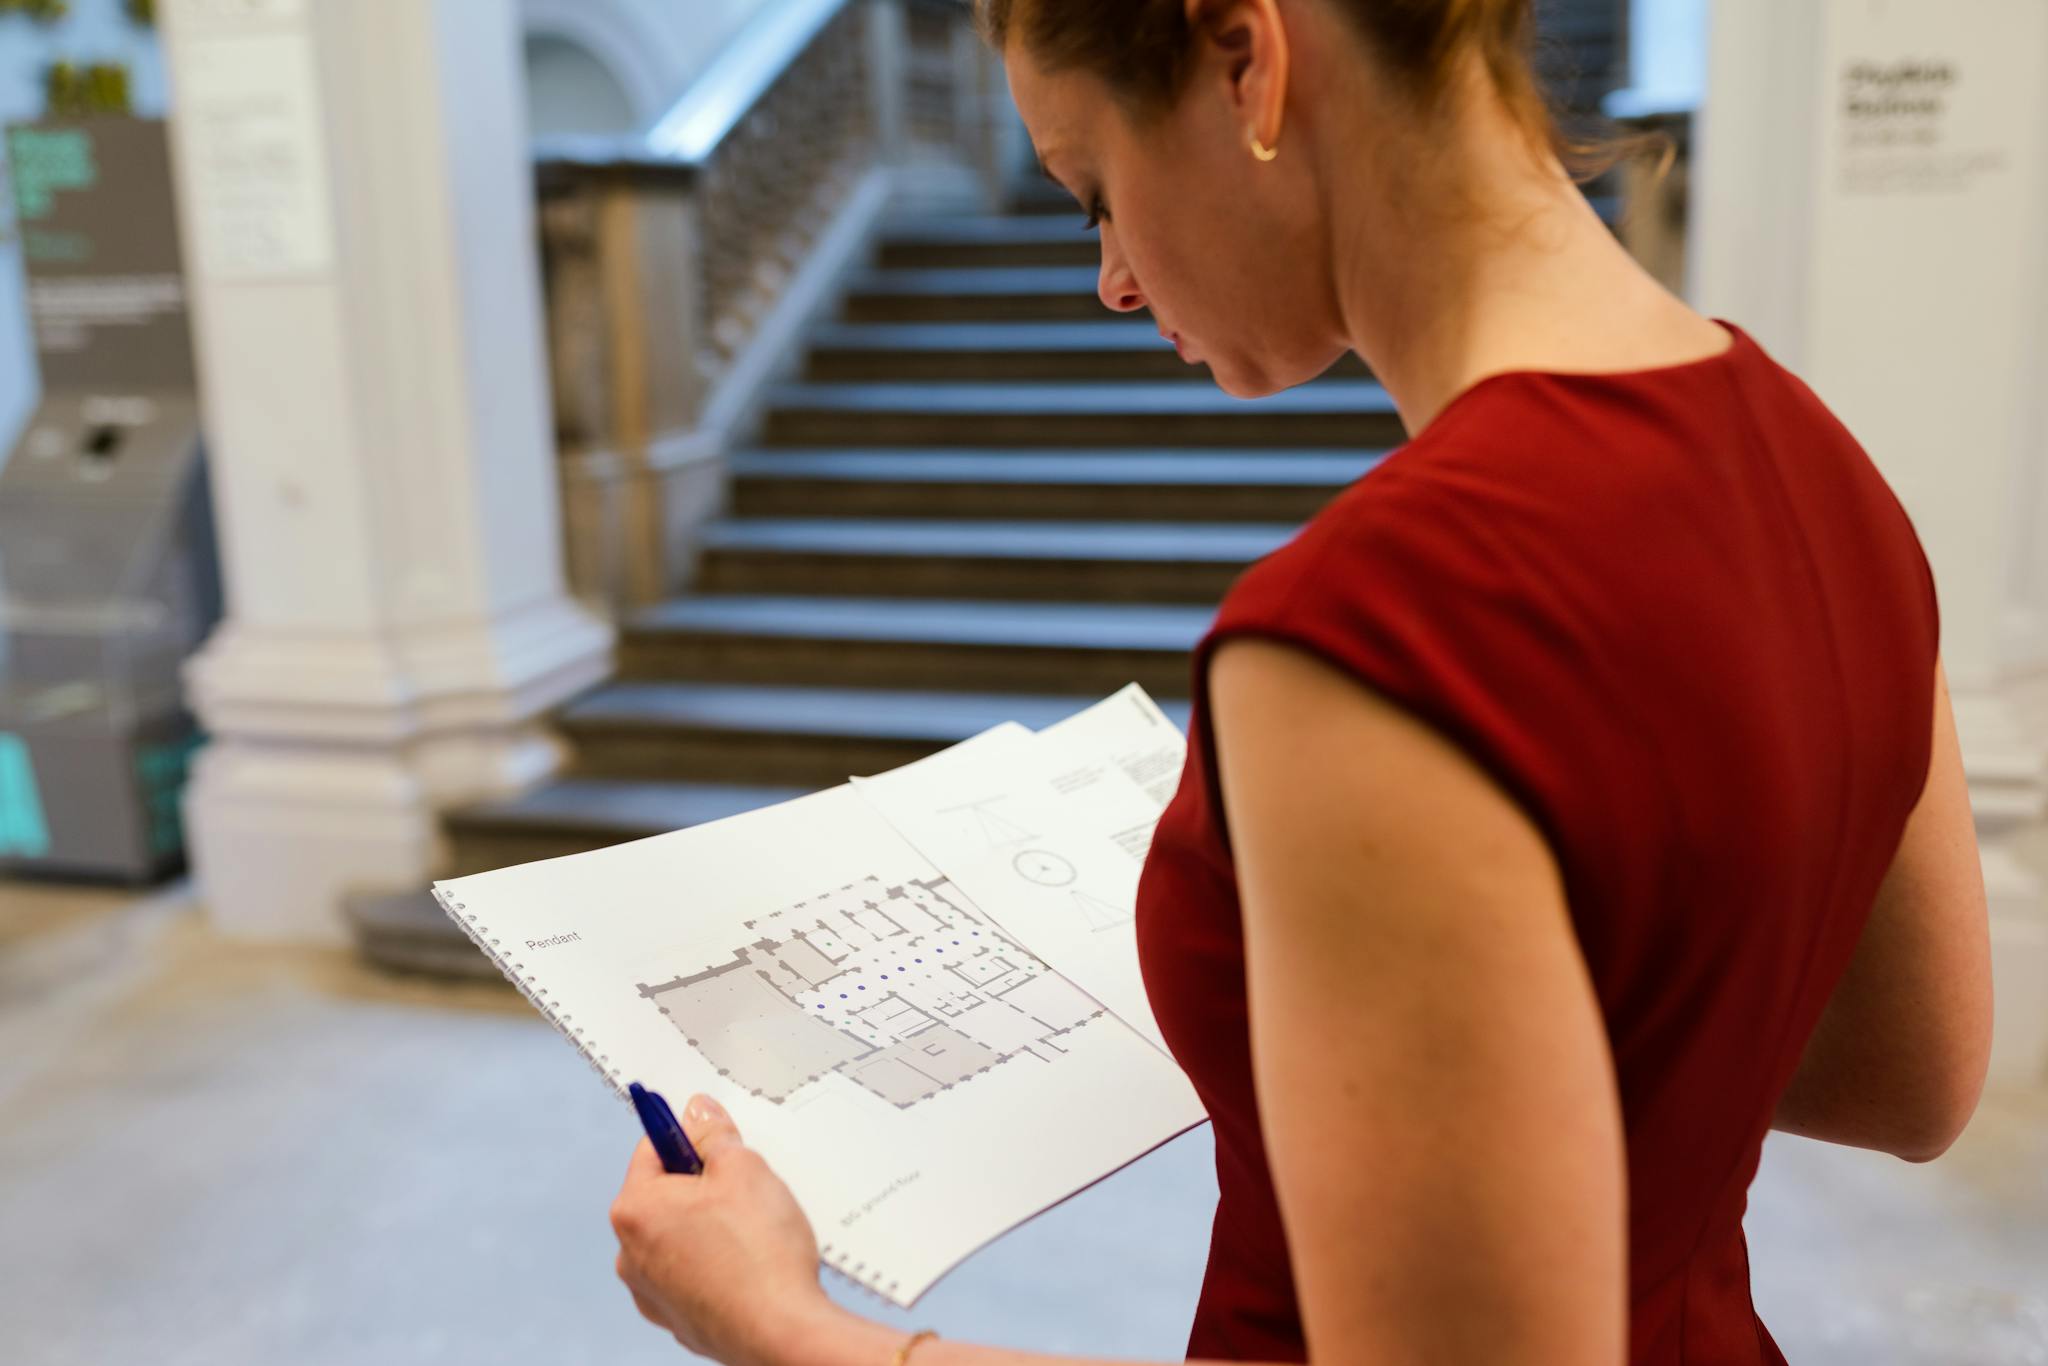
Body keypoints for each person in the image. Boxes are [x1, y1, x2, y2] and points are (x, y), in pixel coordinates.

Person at [606, 0, 1996, 1361]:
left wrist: (790, 1329)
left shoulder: (1381, 627)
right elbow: (1909, 1074)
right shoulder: (1816, 458)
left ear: (1244, 58)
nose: (1114, 280)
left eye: (1094, 189)